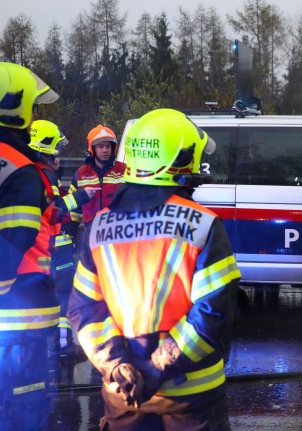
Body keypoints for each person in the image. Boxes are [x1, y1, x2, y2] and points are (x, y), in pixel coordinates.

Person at [68, 108, 241, 430]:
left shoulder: (99, 227)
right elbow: (215, 313)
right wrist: (156, 368)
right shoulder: (202, 223)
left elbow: (84, 311)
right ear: (178, 159)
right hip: (192, 396)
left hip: (124, 393)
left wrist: (119, 366)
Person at [0, 61, 60, 430]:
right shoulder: (18, 169)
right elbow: (11, 240)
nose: (35, 115)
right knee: (22, 410)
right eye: (32, 107)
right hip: (15, 321)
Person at [29, 119, 95, 354]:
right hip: (51, 247)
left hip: (41, 248)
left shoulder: (27, 170)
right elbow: (54, 208)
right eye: (57, 146)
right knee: (62, 293)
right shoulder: (45, 174)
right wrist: (81, 197)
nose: (59, 152)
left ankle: (56, 344)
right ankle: (61, 345)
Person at [68, 124, 126, 240]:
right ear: (92, 149)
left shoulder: (124, 171)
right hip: (91, 236)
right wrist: (71, 233)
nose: (105, 150)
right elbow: (73, 210)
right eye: (100, 146)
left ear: (113, 148)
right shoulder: (81, 174)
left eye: (108, 146)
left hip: (119, 235)